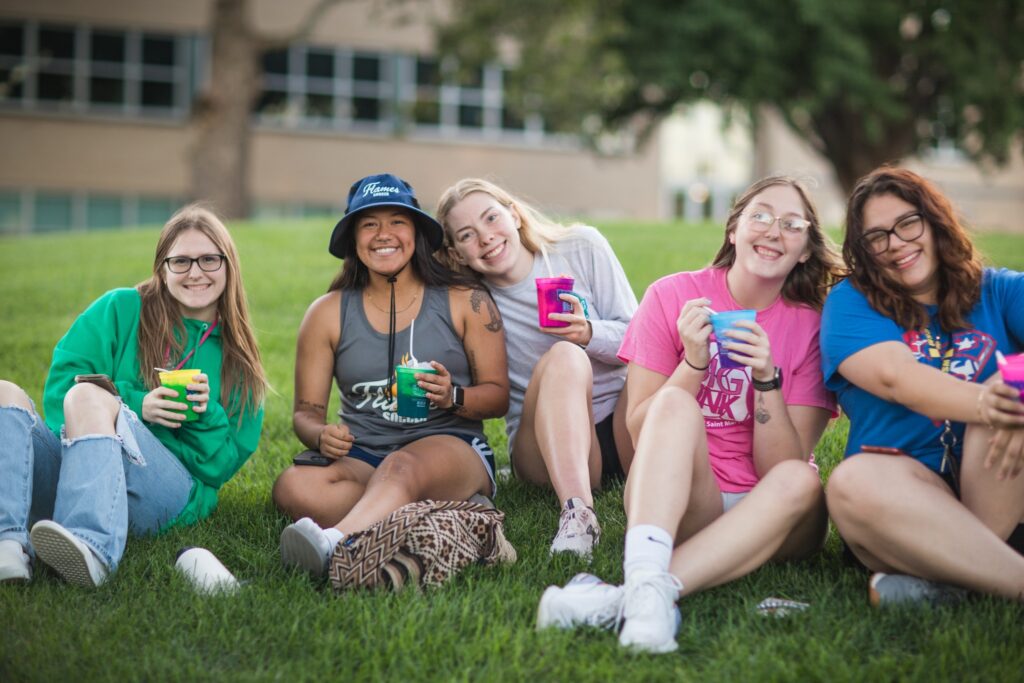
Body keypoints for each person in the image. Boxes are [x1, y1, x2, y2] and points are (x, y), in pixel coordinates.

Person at [535, 176, 842, 652]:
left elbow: (780, 467)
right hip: (680, 500)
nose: (773, 230)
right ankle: (648, 591)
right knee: (674, 403)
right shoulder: (672, 295)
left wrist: (766, 378)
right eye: (760, 215)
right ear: (733, 230)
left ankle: (626, 595)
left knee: (801, 479)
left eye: (791, 224)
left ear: (805, 249)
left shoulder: (812, 328)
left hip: (773, 513)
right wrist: (694, 361)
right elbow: (640, 426)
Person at [0, 205, 267, 587]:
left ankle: (93, 548)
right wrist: (137, 405)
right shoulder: (120, 309)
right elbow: (61, 392)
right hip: (82, 470)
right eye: (181, 261)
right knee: (6, 392)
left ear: (229, 265)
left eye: (209, 259)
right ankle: (8, 545)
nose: (195, 272)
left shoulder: (238, 358)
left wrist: (204, 414)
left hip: (163, 494)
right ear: (162, 267)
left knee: (87, 396)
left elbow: (219, 468)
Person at [272, 173, 509, 578]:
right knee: (292, 487)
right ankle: (452, 511)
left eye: (397, 221)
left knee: (401, 467)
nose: (384, 234)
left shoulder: (465, 301)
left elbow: (498, 396)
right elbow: (306, 412)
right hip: (365, 454)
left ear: (416, 232)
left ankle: (333, 543)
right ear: (353, 239)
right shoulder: (326, 313)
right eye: (369, 224)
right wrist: (319, 434)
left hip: (451, 446)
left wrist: (453, 396)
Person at [821, 166, 1024, 605]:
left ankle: (957, 578)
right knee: (851, 482)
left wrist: (1014, 403)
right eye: (877, 237)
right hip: (901, 506)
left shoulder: (998, 291)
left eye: (908, 223)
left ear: (934, 222)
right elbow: (898, 378)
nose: (896, 244)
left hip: (997, 493)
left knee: (1011, 399)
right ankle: (995, 574)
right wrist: (994, 403)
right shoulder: (851, 304)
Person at [436, 179, 637, 558]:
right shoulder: (471, 302)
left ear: (514, 213)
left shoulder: (581, 247)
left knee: (649, 370)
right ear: (457, 253)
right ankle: (578, 515)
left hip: (621, 423)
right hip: (542, 448)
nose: (486, 238)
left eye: (492, 218)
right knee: (564, 356)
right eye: (467, 235)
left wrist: (589, 332)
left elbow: (642, 340)